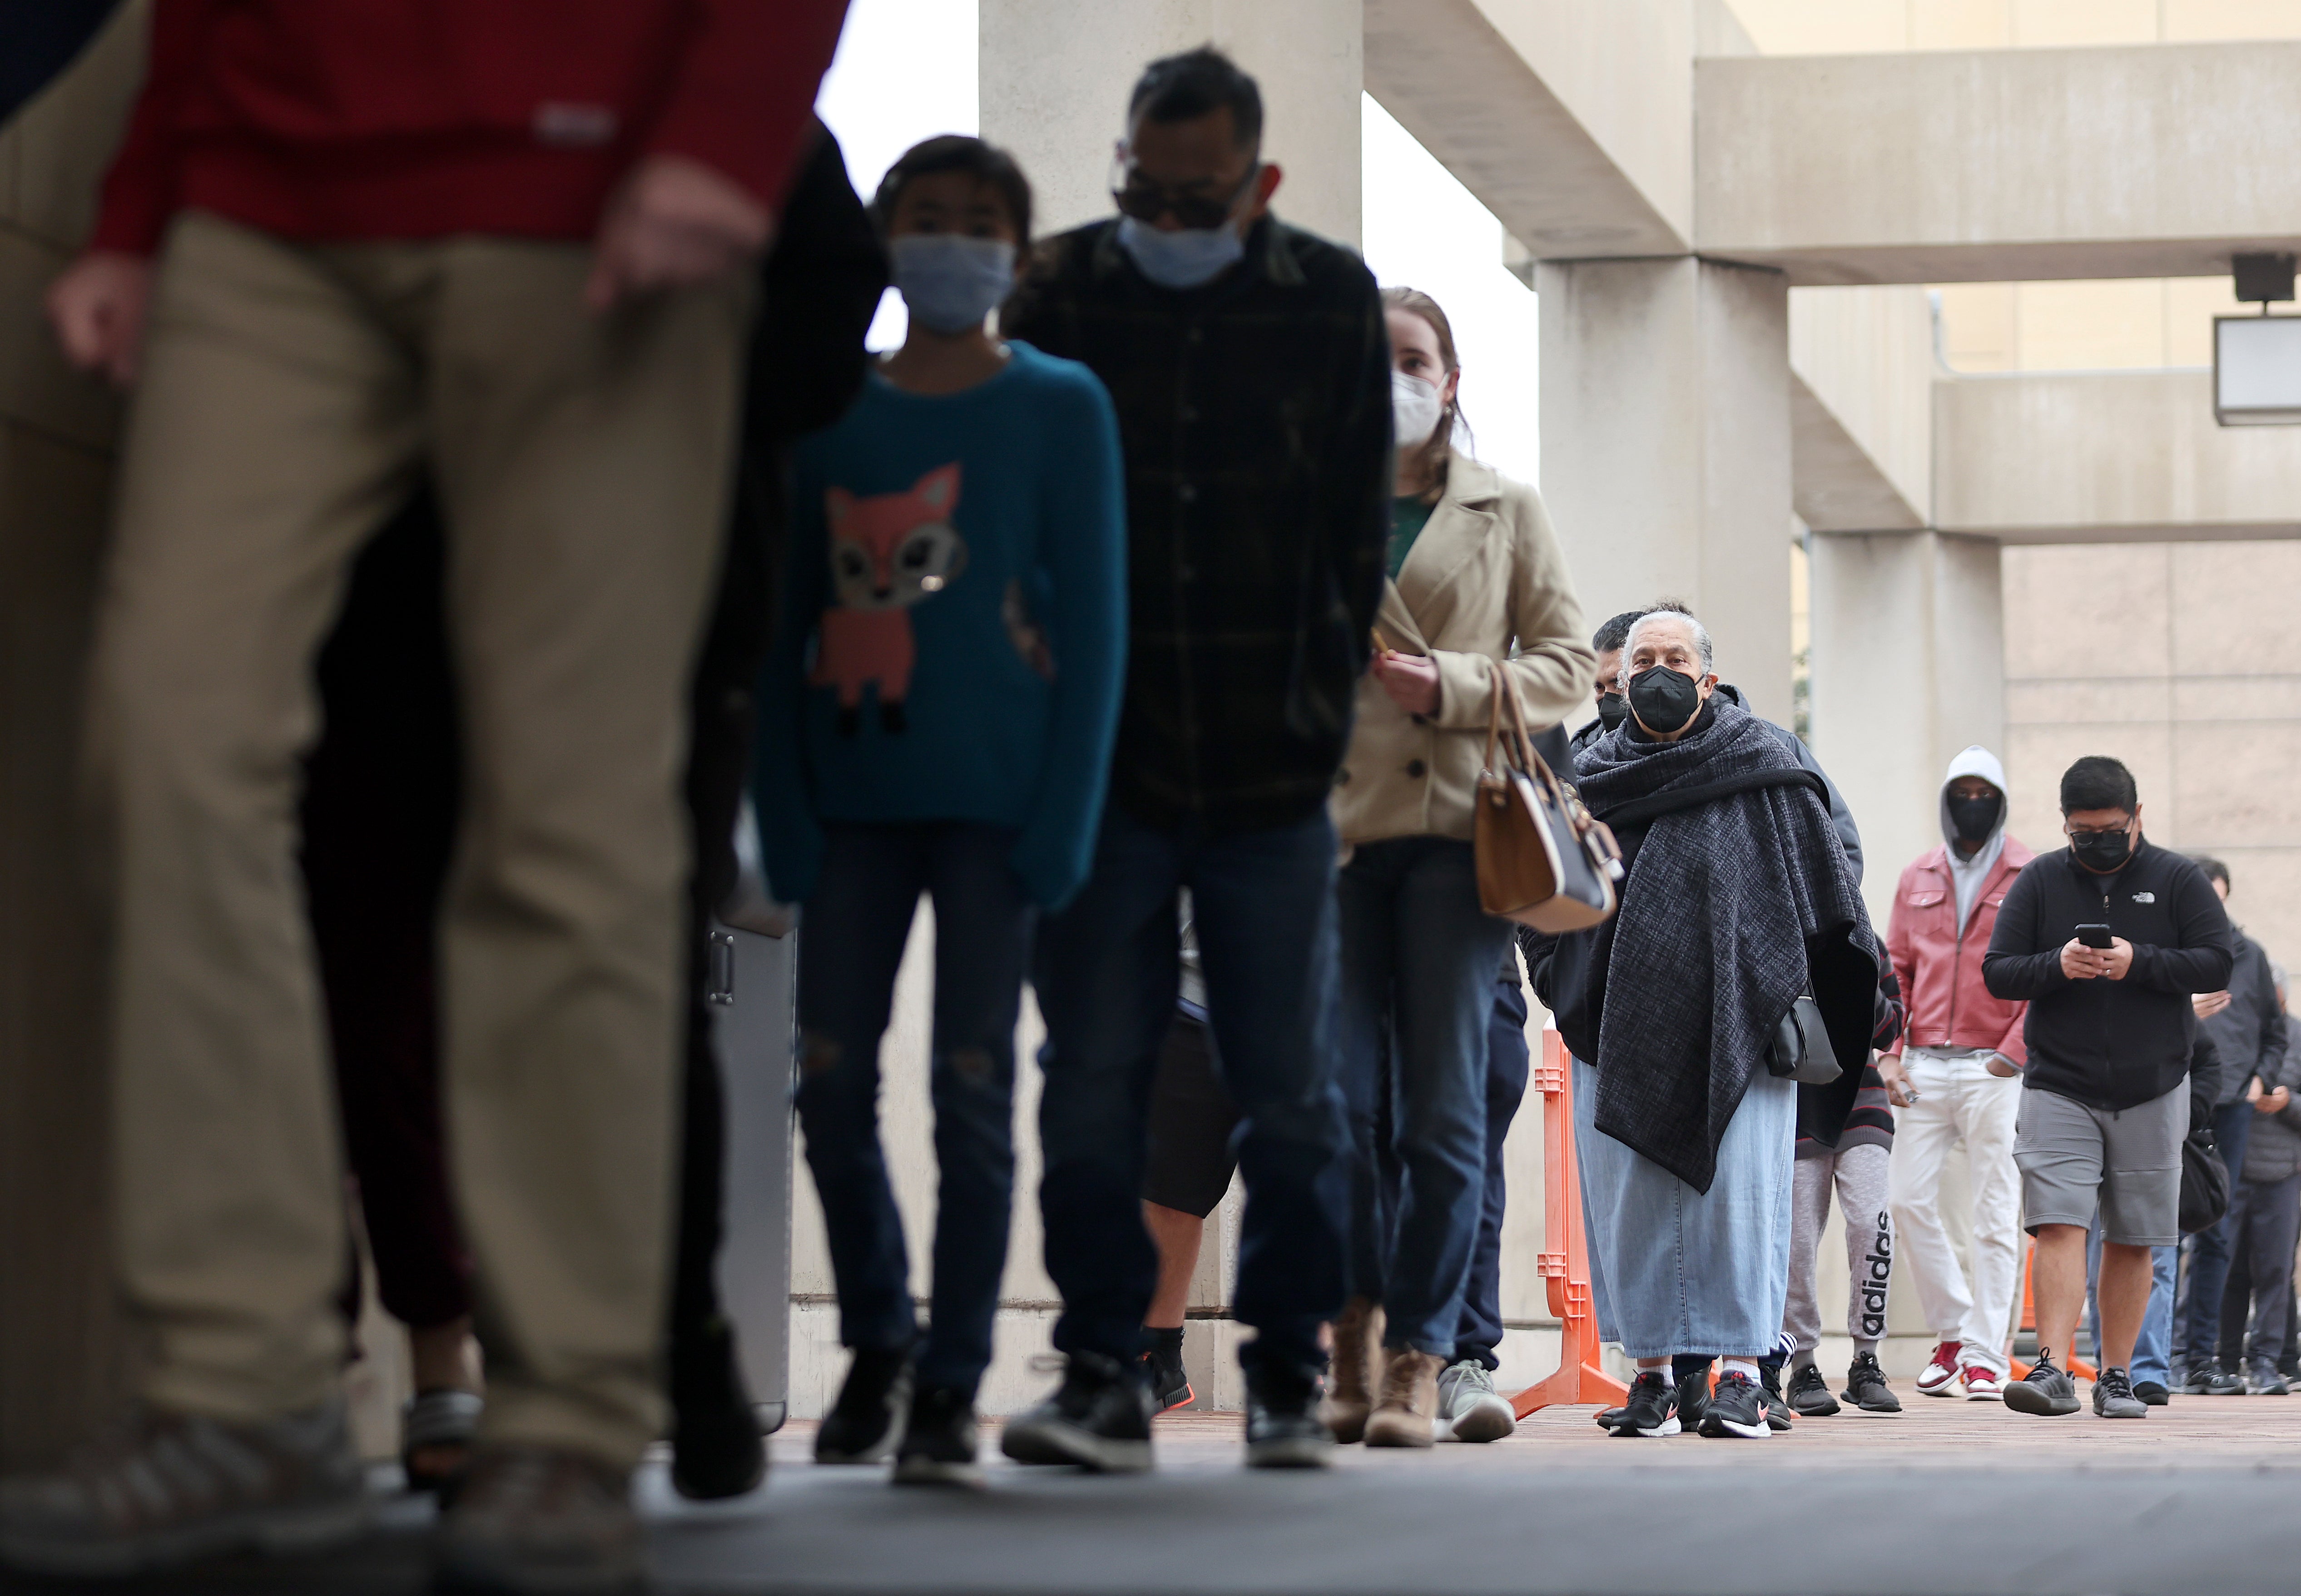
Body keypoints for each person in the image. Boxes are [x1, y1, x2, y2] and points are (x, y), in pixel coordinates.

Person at [2, 2, 849, 1585]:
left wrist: (728, 124)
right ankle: (241, 1390)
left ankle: (567, 1416)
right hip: (267, 202)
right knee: (166, 739)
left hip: (596, 174)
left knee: (571, 816)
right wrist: (138, 209)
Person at [998, 46, 1392, 1472]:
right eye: (1139, 188)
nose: (1161, 216)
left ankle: (1283, 1375)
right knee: (1089, 1069)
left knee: (1286, 1076)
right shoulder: (1055, 287)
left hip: (1264, 766)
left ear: (1258, 183)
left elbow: (1352, 535)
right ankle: (1104, 1367)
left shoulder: (1328, 300)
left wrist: (1305, 714)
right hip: (1095, 760)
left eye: (1195, 195)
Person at [754, 134, 1128, 1490]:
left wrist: (1064, 821)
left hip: (998, 821)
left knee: (970, 1096)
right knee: (827, 1085)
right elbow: (781, 624)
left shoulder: (1060, 405)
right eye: (926, 218)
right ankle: (874, 1332)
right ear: (883, 235)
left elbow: (1095, 630)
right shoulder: (826, 413)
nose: (952, 241)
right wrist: (780, 815)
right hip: (847, 818)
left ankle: (950, 1379)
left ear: (1016, 253)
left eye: (978, 222)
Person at [1326, 285, 1592, 1449]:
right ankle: (1348, 1332)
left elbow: (1571, 664)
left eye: (1413, 357)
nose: (1394, 376)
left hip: (1452, 836)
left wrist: (1457, 684)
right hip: (1325, 840)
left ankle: (1417, 1362)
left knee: (1438, 1113)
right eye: (1371, 358)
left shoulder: (1504, 509)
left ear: (1449, 378)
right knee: (1329, 1109)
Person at [1527, 608, 1882, 1441]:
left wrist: (1782, 973)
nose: (1656, 669)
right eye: (1641, 658)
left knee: (1741, 1203)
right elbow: (1542, 892)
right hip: (1614, 1023)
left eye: (1674, 656)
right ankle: (1649, 1377)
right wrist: (1563, 980)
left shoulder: (1767, 761)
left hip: (1744, 1020)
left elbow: (1828, 887)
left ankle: (1739, 1381)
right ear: (1616, 679)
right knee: (1631, 1205)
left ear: (1707, 676)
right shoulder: (1587, 773)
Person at [1982, 756, 2235, 1420]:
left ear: (2137, 817)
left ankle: (2116, 1375)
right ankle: (2052, 1368)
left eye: (2110, 829)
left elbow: (2216, 959)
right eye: (2081, 831)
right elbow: (1998, 972)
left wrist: (2138, 961)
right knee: (2058, 1221)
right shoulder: (2038, 880)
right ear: (2064, 826)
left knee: (2134, 1234)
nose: (2096, 840)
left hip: (2153, 1087)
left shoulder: (2177, 878)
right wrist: (2057, 964)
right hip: (2059, 1083)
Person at [1878, 747, 2033, 1404]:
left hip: (1993, 1067)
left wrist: (2012, 1051)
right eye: (1960, 791)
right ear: (1946, 800)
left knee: (1994, 1212)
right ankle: (1953, 1331)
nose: (1972, 801)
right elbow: (1897, 969)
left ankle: (1983, 1354)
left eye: (1983, 791)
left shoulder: (2030, 874)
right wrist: (1889, 1049)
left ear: (1999, 799)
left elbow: (2039, 974)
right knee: (1905, 1200)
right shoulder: (1918, 873)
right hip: (1922, 1066)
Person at [2174, 858, 2286, 1394]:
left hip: (2234, 1109)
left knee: (2215, 1231)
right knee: (2163, 1231)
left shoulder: (2251, 956)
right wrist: (2183, 1011)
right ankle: (2163, 1357)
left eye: (2218, 898)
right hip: (2171, 1100)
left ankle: (2202, 1359)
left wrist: (2260, 1079)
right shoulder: (2167, 954)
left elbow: (2275, 1031)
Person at [2212, 967, 2301, 1394]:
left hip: (2283, 1174)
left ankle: (2267, 1361)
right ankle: (2223, 1360)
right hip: (2228, 1171)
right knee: (2225, 1271)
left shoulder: (2297, 1037)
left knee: (2275, 1271)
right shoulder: (2231, 1034)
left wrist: (2286, 1103)